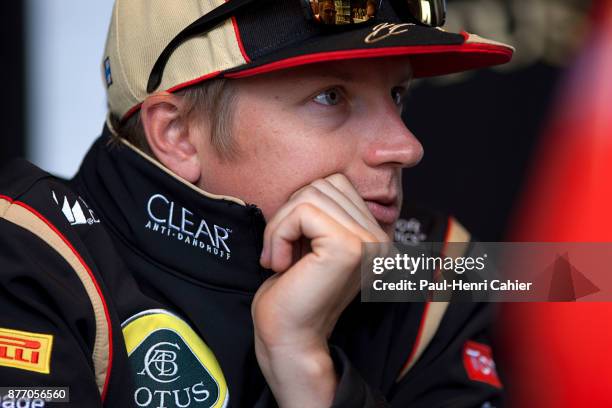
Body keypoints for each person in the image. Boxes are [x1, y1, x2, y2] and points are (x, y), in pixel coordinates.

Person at [0, 0, 513, 406]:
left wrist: (308, 371)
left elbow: (584, 279)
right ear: (178, 134)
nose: (407, 147)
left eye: (397, 94)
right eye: (331, 95)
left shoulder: (441, 267)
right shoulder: (29, 255)